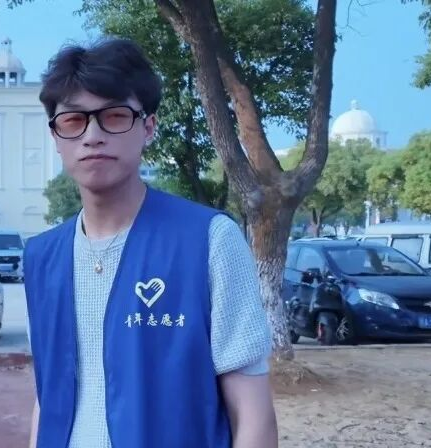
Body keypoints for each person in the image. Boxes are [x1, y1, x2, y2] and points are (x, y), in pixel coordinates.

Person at [23, 37, 277, 448]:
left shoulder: (209, 240)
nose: (92, 136)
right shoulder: (41, 257)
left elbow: (253, 417)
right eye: (73, 121)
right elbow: (47, 395)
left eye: (115, 116)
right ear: (56, 136)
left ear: (148, 127)